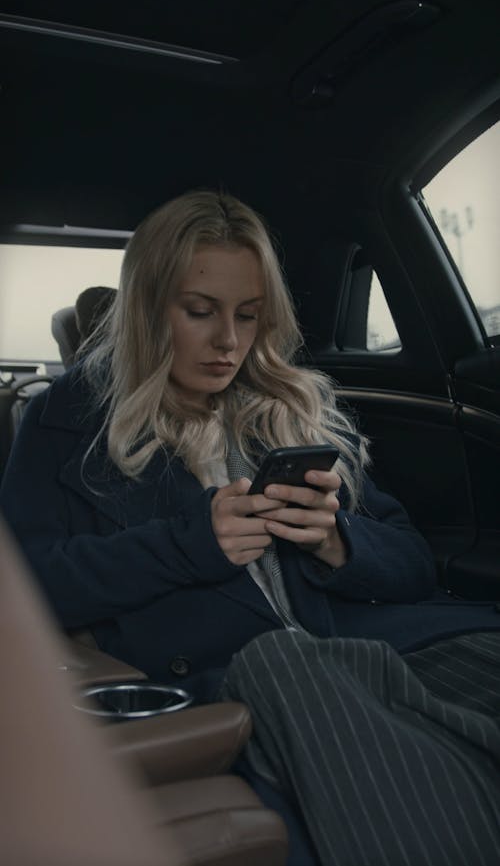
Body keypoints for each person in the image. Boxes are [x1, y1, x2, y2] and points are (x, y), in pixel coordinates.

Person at [1, 189, 500, 865]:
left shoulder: (294, 408)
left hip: (382, 647)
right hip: (252, 673)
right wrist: (189, 545)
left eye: (248, 314)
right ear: (149, 307)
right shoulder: (67, 422)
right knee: (303, 678)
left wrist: (335, 539)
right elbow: (29, 593)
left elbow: (413, 562)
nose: (228, 341)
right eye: (200, 312)